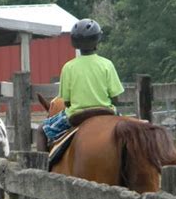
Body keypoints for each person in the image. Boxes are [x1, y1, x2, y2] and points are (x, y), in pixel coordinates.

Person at [36, 18, 124, 152]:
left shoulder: (68, 67)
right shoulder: (107, 64)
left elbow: (67, 102)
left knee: (41, 131)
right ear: (97, 41)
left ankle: (40, 170)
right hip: (106, 113)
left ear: (75, 43)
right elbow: (116, 98)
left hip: (76, 116)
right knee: (134, 131)